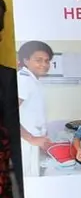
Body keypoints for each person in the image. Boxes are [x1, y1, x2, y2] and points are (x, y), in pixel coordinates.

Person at [15, 40, 52, 177]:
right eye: (39, 60)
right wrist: (31, 138)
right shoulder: (23, 80)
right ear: (26, 60)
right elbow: (9, 115)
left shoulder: (32, 80)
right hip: (26, 144)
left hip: (33, 142)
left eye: (47, 61)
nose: (44, 64)